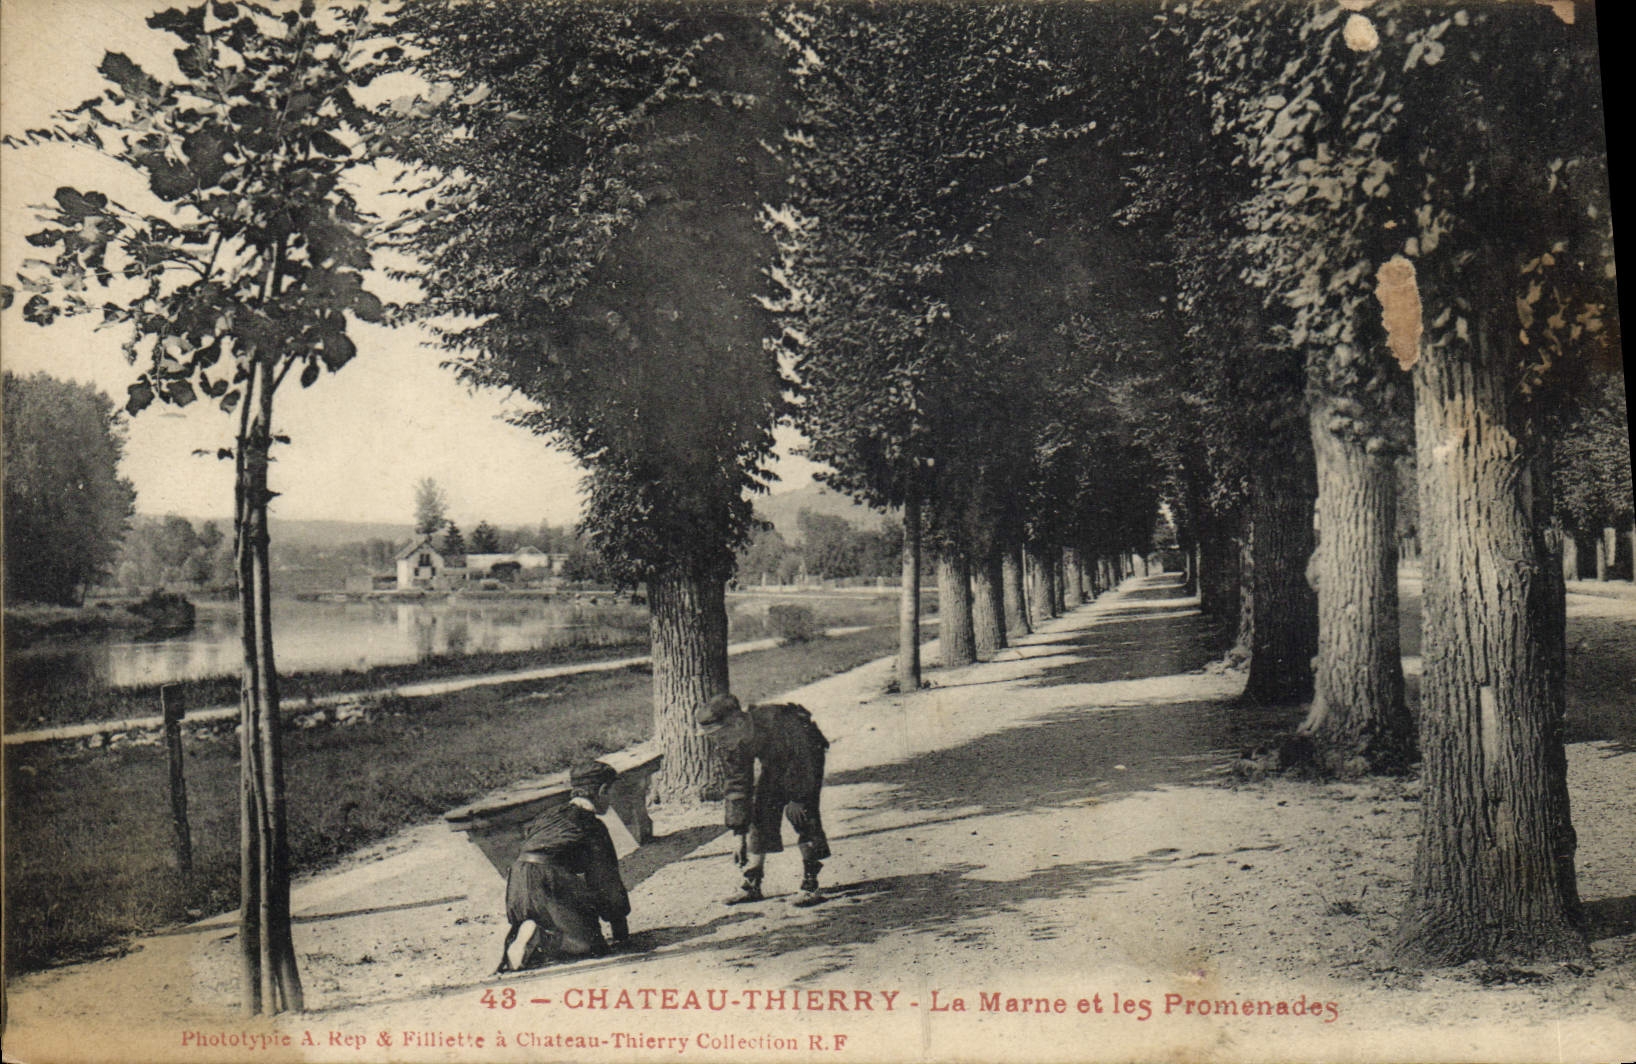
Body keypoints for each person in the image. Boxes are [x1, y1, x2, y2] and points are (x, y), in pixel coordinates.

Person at [495, 760, 631, 973]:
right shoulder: (592, 826)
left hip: (519, 883)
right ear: (603, 790)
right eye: (610, 792)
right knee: (589, 946)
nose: (611, 799)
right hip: (550, 879)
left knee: (549, 918)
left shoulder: (549, 815)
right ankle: (542, 937)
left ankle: (526, 931)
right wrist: (619, 928)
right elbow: (606, 880)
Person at [696, 692, 831, 907]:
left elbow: (804, 762)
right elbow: (737, 784)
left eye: (720, 736)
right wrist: (739, 832)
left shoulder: (780, 722)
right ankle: (752, 882)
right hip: (775, 764)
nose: (718, 743)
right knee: (761, 813)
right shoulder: (733, 742)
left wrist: (798, 798)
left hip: (806, 760)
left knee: (801, 815)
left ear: (739, 723)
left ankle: (811, 883)